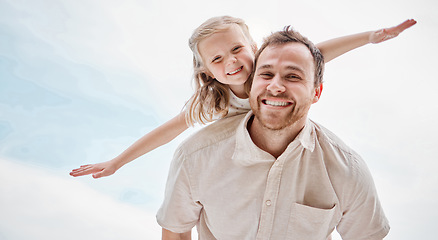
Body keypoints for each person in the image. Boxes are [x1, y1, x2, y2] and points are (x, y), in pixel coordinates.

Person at [69, 16, 416, 179]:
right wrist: (116, 162)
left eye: (237, 49)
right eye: (217, 59)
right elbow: (168, 130)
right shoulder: (213, 99)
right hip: (243, 160)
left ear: (254, 48)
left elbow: (317, 52)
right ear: (207, 72)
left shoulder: (271, 73)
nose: (231, 61)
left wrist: (370, 37)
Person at [158, 26, 390, 240]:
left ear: (316, 92)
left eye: (293, 76)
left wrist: (370, 37)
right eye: (266, 75)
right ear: (252, 82)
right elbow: (175, 233)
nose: (276, 86)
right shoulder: (194, 157)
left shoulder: (348, 170)